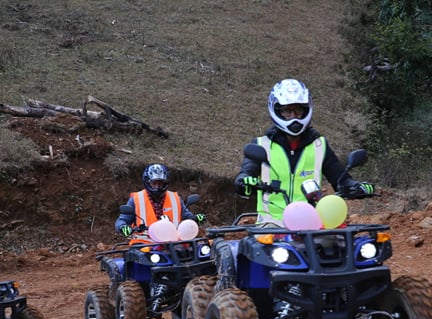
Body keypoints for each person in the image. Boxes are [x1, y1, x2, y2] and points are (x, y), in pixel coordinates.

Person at [233, 78, 375, 223]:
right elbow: (247, 171)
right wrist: (244, 182)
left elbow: (341, 180)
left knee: (342, 243)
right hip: (271, 227)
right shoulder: (261, 145)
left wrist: (356, 187)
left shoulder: (319, 145)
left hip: (310, 226)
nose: (293, 116)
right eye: (287, 111)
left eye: (298, 110)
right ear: (277, 111)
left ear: (306, 110)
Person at [114, 163, 205, 243]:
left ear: (165, 183)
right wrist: (123, 227)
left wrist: (196, 218)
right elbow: (122, 220)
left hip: (173, 242)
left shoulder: (175, 198)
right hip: (145, 243)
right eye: (154, 183)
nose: (157, 186)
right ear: (148, 182)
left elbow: (187, 216)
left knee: (196, 252)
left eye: (160, 183)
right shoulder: (136, 199)